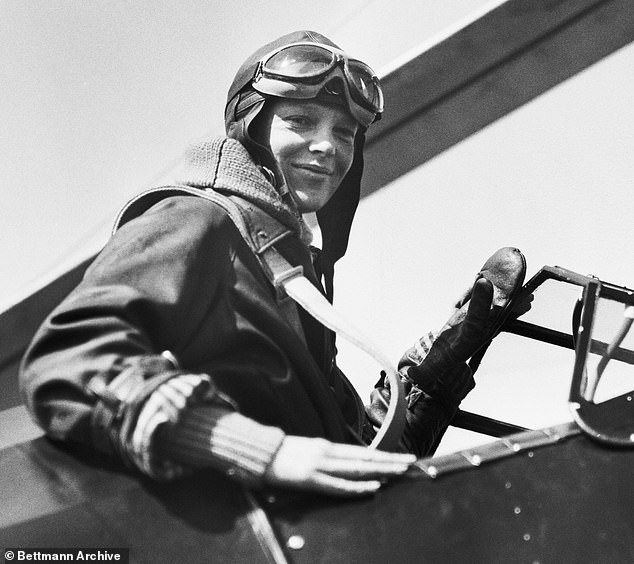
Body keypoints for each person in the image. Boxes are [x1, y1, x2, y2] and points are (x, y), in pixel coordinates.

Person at [19, 30, 526, 497]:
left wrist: (433, 382)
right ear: (253, 128)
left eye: (345, 133)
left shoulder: (286, 276)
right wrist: (262, 452)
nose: (328, 145)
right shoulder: (199, 220)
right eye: (300, 121)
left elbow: (354, 460)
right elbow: (68, 357)